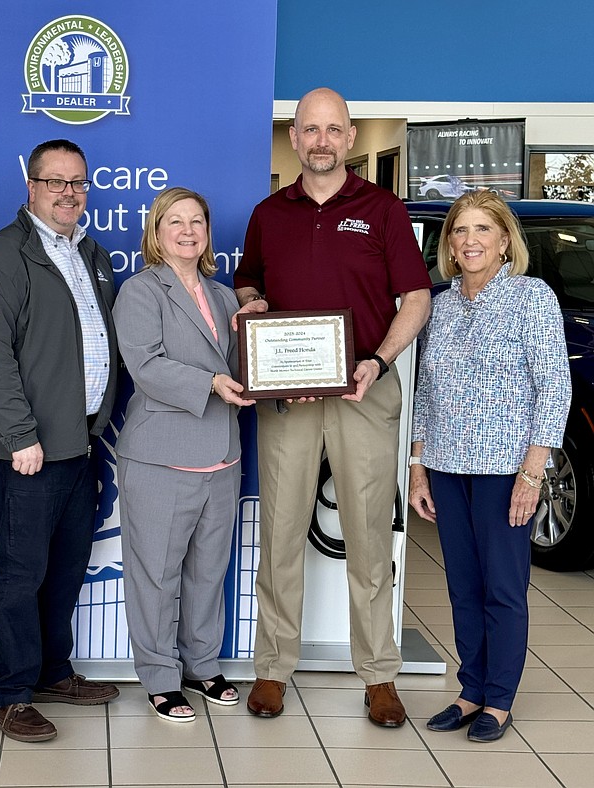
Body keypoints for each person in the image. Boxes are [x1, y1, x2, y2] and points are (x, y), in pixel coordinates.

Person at [233, 87, 432, 725]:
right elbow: (247, 278)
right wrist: (255, 305)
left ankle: (378, 675)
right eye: (309, 130)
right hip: (288, 397)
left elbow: (416, 298)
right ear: (296, 138)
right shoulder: (269, 212)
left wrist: (377, 361)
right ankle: (272, 669)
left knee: (371, 537)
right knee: (281, 531)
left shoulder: (383, 209)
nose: (321, 141)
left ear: (349, 137)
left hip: (363, 391)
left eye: (333, 130)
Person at [0, 139, 120, 743]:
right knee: (19, 574)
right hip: (26, 454)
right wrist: (20, 435)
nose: (68, 192)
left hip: (79, 448)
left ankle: (55, 673)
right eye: (55, 182)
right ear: (31, 186)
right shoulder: (3, 258)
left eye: (78, 182)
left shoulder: (91, 253)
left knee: (64, 570)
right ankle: (9, 695)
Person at [409, 191, 571, 742]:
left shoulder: (532, 299)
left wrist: (532, 473)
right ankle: (470, 688)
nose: (470, 240)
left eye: (483, 230)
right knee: (462, 586)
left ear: (505, 241)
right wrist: (418, 465)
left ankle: (499, 699)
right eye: (460, 230)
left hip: (507, 470)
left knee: (503, 587)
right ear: (449, 243)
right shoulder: (440, 304)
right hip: (448, 467)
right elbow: (425, 394)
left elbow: (555, 390)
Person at [114, 187, 255, 722]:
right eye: (176, 221)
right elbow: (145, 367)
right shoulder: (140, 292)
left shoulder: (224, 298)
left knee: (207, 573)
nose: (188, 231)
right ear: (157, 230)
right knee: (156, 575)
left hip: (221, 455)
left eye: (198, 221)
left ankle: (201, 664)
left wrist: (262, 341)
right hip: (160, 458)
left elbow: (248, 366)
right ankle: (159, 676)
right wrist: (214, 381)